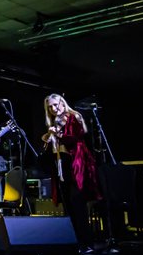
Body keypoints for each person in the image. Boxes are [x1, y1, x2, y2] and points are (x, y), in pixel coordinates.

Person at [42, 93, 100, 246]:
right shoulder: (54, 122)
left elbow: (74, 138)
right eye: (50, 107)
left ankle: (86, 242)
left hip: (76, 164)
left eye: (56, 105)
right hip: (62, 166)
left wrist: (57, 134)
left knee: (77, 203)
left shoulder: (73, 117)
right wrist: (49, 137)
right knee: (68, 204)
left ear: (63, 103)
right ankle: (74, 241)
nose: (54, 109)